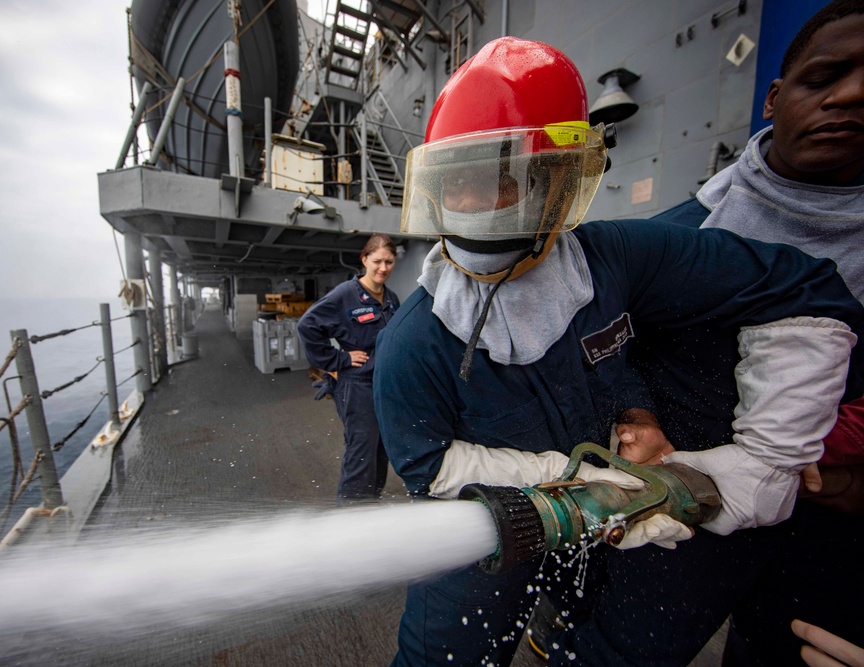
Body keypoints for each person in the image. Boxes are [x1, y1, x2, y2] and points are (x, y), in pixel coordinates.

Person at [372, 36, 864, 666]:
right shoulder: (411, 342)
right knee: (444, 654)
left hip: (606, 540)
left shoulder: (617, 261)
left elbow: (807, 289)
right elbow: (428, 470)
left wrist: (761, 459)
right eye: (456, 184)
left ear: (558, 182)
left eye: (499, 180)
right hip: (490, 529)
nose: (469, 207)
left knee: (588, 633)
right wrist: (568, 485)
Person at [612, 3, 864, 664]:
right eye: (826, 77)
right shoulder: (673, 239)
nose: (854, 94)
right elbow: (610, 352)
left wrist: (834, 455)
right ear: (774, 99)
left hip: (827, 544)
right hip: (676, 518)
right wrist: (636, 417)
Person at [298, 233, 400, 501]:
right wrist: (338, 360)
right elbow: (307, 326)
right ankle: (352, 513)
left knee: (381, 450)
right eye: (377, 261)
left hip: (384, 387)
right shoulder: (346, 295)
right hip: (358, 387)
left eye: (389, 262)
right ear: (364, 259)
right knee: (362, 452)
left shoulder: (391, 299)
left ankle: (370, 504)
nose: (383, 268)